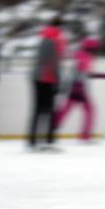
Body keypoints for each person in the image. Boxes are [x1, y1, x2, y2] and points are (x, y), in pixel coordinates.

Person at [53, 37, 105, 142]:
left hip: (75, 87)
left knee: (67, 110)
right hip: (78, 87)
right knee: (89, 110)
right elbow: (80, 72)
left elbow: (84, 73)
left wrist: (103, 75)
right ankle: (84, 135)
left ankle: (53, 125)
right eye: (95, 49)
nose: (96, 51)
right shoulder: (83, 56)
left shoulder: (82, 55)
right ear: (91, 48)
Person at [28, 17, 65, 150]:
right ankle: (46, 140)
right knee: (47, 111)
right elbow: (53, 62)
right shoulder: (52, 40)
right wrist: (58, 80)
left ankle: (34, 140)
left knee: (40, 110)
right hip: (46, 79)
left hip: (39, 78)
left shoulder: (44, 37)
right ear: (58, 27)